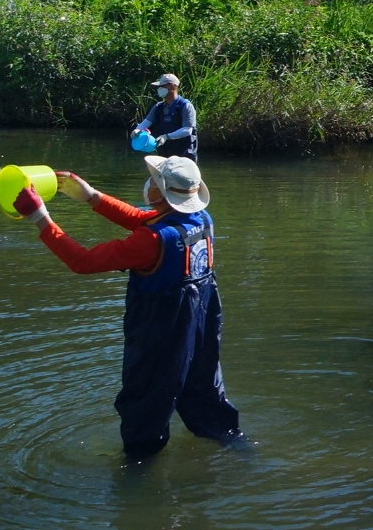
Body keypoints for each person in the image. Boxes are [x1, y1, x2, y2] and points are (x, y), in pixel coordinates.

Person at [14, 156, 242, 461]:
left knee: (146, 397)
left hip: (162, 327)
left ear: (159, 193)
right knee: (202, 388)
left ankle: (139, 471)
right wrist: (91, 196)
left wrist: (39, 217)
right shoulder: (201, 219)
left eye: (154, 179)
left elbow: (83, 262)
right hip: (201, 322)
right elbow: (142, 218)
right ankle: (234, 446)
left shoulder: (150, 241)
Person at [136, 73, 200, 159]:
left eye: (162, 86)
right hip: (165, 154)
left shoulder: (186, 106)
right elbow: (145, 123)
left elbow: (187, 130)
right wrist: (136, 131)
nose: (159, 89)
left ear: (172, 86)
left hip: (184, 155)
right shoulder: (158, 107)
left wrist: (166, 136)